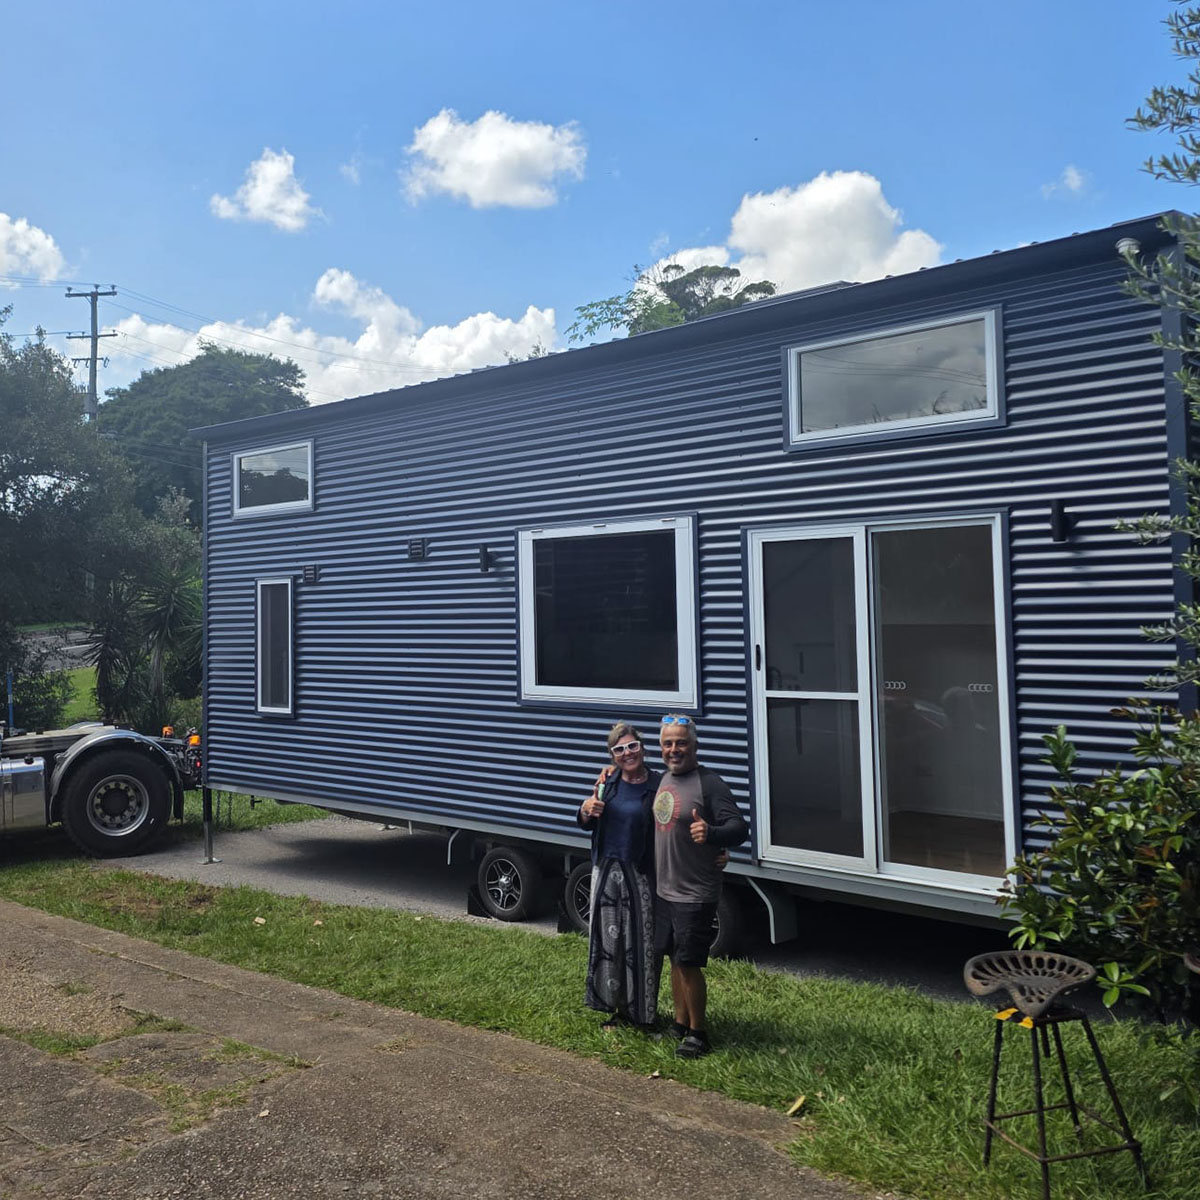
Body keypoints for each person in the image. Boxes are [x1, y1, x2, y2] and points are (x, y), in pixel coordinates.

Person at [653, 714, 748, 1058]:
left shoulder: (710, 783)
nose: (674, 749)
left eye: (681, 743)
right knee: (674, 960)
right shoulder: (663, 778)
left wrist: (712, 835)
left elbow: (738, 828)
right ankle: (679, 1023)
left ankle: (698, 1033)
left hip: (695, 892)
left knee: (690, 963)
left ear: (694, 746)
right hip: (665, 889)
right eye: (668, 743)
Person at [577, 722, 660, 1030]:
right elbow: (587, 820)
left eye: (632, 746)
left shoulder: (658, 785)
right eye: (619, 749)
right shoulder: (608, 781)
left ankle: (644, 1016)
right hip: (605, 868)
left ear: (642, 746)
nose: (627, 753)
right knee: (608, 943)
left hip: (638, 872)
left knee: (640, 944)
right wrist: (585, 808)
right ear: (612, 755)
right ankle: (616, 1009)